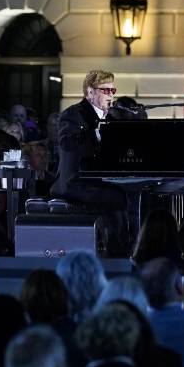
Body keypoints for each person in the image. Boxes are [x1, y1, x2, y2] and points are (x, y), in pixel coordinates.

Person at [55, 70, 130, 253]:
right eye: (106, 90)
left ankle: (126, 250)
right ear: (90, 92)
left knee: (134, 194)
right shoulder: (73, 114)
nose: (111, 95)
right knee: (117, 197)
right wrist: (93, 134)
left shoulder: (111, 118)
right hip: (76, 183)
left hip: (99, 181)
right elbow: (67, 143)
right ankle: (116, 254)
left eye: (113, 90)